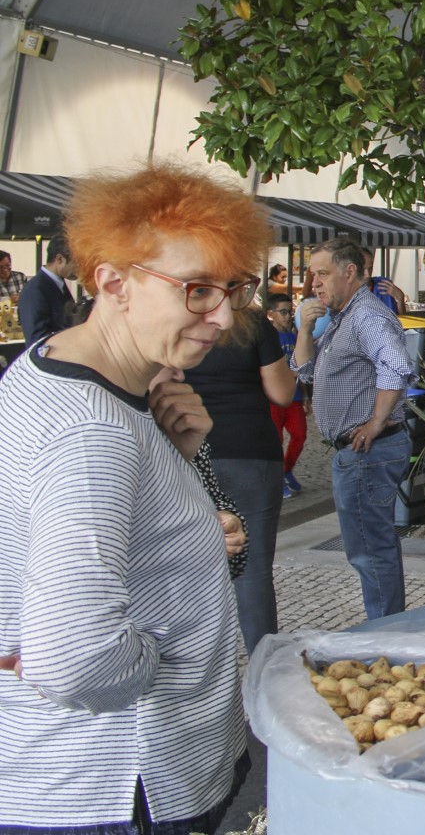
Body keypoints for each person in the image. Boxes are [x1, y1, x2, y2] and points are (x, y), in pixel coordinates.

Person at [0, 162, 256, 833]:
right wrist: (169, 662)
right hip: (118, 785)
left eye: (233, 287)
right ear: (113, 283)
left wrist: (183, 475)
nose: (223, 314)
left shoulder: (55, 367)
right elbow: (72, 657)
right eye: (197, 289)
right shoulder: (93, 431)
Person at [293, 238, 415, 620]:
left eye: (323, 273)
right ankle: (386, 625)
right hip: (358, 453)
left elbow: (397, 364)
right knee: (368, 547)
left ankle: (384, 631)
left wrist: (376, 421)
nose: (315, 282)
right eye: (313, 274)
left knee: (370, 549)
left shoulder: (366, 315)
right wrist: (304, 330)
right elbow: (305, 371)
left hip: (367, 451)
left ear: (349, 272)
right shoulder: (343, 316)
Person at [188, 300, 298, 655]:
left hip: (188, 450)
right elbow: (282, 393)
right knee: (252, 572)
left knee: (191, 568)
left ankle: (200, 665)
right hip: (250, 451)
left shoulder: (179, 316)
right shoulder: (251, 322)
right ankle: (263, 666)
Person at [265, 293, 307, 497]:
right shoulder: (266, 338)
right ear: (270, 314)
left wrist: (306, 396)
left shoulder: (294, 338)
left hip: (295, 396)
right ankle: (276, 479)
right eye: (283, 312)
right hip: (273, 398)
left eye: (290, 312)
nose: (288, 316)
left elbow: (302, 366)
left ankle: (286, 470)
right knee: (276, 440)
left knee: (300, 434)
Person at [19, 234, 76, 342]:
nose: (81, 268)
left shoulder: (59, 284)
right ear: (59, 259)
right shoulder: (34, 290)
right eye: (77, 262)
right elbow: (37, 339)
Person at [361, 247, 406, 316]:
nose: (368, 274)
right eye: (363, 269)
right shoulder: (347, 294)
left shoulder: (384, 286)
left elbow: (400, 320)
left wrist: (400, 299)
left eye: (370, 268)